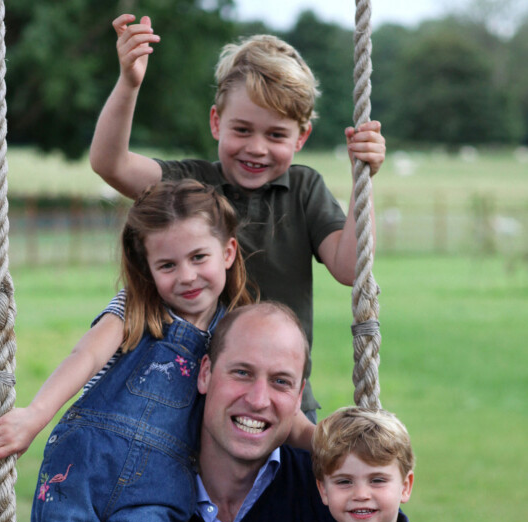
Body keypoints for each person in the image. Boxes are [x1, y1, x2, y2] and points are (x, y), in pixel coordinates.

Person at [89, 14, 387, 422]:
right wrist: (129, 83)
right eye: (242, 130)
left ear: (301, 138)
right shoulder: (191, 185)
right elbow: (110, 163)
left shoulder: (304, 189)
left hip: (282, 401)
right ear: (216, 122)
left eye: (276, 135)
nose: (257, 148)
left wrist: (361, 179)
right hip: (189, 401)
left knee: (296, 483)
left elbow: (350, 267)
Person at [0, 179, 265, 522]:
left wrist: (314, 438)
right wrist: (33, 417)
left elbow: (259, 396)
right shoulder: (135, 309)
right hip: (80, 471)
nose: (187, 276)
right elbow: (86, 355)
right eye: (167, 265)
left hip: (156, 496)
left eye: (199, 257)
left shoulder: (234, 334)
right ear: (147, 268)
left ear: (228, 252)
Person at [160, 302, 335, 522]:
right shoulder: (143, 493)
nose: (257, 400)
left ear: (299, 396)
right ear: (205, 374)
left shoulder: (332, 495)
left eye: (280, 381)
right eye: (242, 373)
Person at [286, 406, 449, 522]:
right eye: (344, 481)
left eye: (377, 480)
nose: (361, 494)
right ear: (323, 491)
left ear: (405, 486)